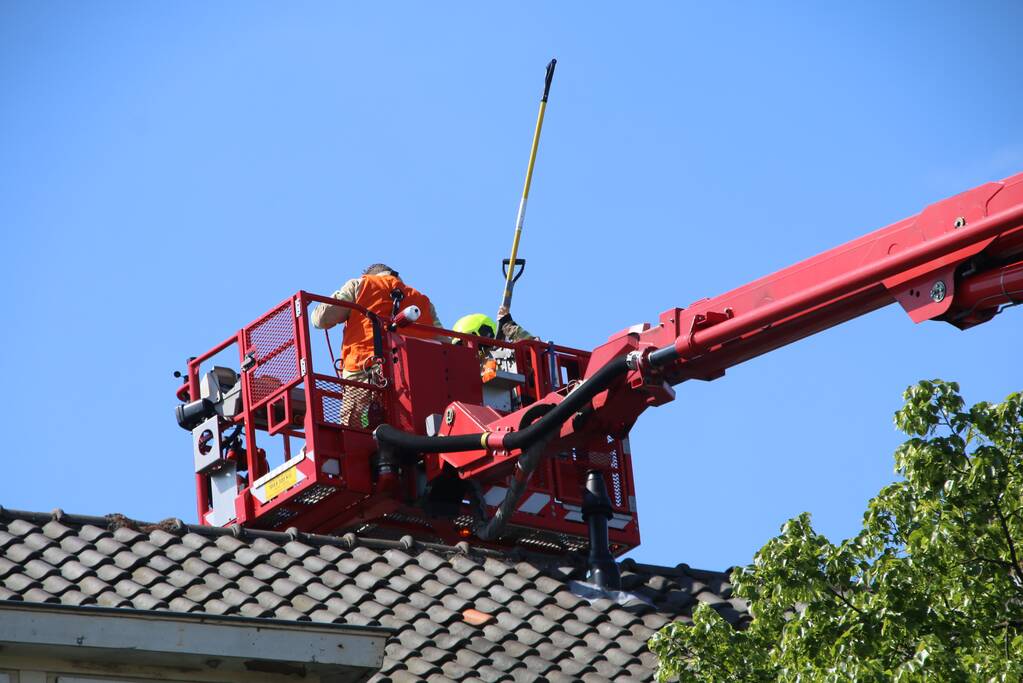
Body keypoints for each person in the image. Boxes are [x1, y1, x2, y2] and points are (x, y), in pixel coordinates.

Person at [313, 263, 445, 428]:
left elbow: (321, 319)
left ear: (370, 275)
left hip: (364, 375)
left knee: (353, 432)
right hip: (417, 383)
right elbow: (446, 345)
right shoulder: (422, 301)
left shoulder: (360, 285)